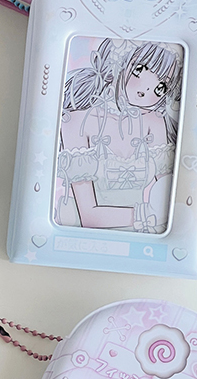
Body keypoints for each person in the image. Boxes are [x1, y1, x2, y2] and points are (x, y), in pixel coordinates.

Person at [55, 38, 183, 233]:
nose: (146, 89)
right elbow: (88, 216)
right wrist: (149, 214)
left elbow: (167, 190)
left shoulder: (154, 122)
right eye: (139, 70)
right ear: (121, 63)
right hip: (87, 232)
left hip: (149, 230)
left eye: (161, 87)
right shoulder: (76, 122)